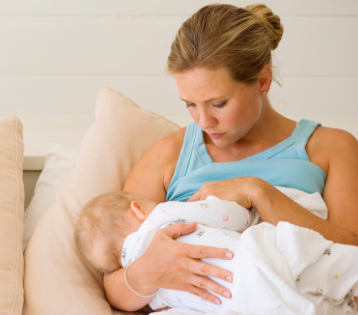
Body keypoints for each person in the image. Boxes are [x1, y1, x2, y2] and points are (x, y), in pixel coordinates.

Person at [102, 3, 358, 312]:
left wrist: (258, 191)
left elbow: (351, 251)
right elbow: (114, 286)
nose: (203, 121)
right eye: (190, 104)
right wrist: (147, 272)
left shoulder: (330, 147)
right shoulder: (168, 155)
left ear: (263, 81)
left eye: (218, 103)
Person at [76, 191, 358, 313]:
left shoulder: (155, 296)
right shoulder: (162, 215)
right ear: (137, 208)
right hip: (260, 258)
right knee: (338, 268)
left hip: (247, 302)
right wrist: (244, 215)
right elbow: (219, 213)